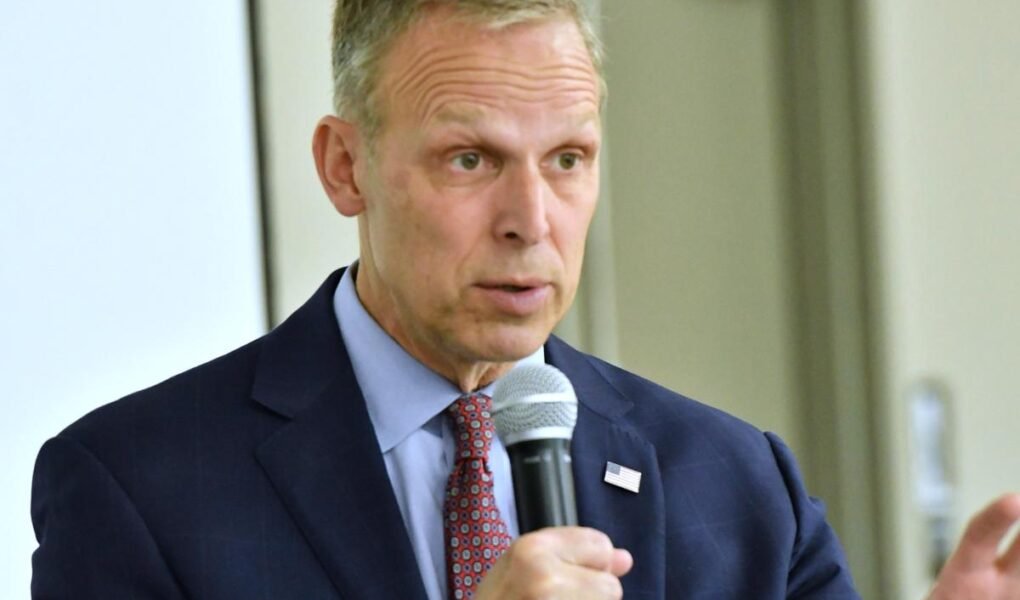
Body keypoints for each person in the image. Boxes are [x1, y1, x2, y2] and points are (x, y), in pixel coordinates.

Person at [30, 1, 1019, 598]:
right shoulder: (138, 489)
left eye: (568, 159)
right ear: (345, 167)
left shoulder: (736, 482)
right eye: (471, 159)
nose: (531, 220)